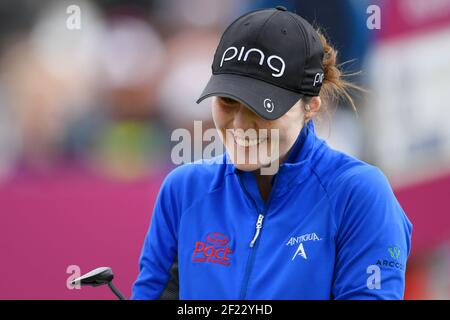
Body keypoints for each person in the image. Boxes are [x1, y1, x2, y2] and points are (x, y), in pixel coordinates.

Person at [132, 6, 412, 300]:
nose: (240, 124)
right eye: (228, 100)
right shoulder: (183, 189)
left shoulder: (359, 193)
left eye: (262, 106)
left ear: (311, 106)